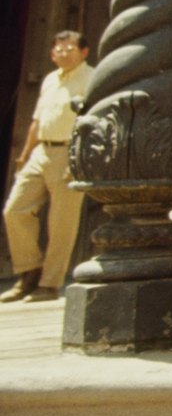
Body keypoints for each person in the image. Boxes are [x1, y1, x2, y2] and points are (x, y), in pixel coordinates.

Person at [1, 30, 93, 304]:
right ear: (52, 54)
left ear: (83, 52)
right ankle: (29, 272)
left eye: (69, 49)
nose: (63, 53)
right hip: (42, 151)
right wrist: (26, 154)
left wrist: (80, 158)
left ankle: (49, 285)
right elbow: (37, 120)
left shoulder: (92, 78)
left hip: (69, 152)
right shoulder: (51, 80)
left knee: (61, 222)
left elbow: (92, 122)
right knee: (15, 210)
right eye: (59, 49)